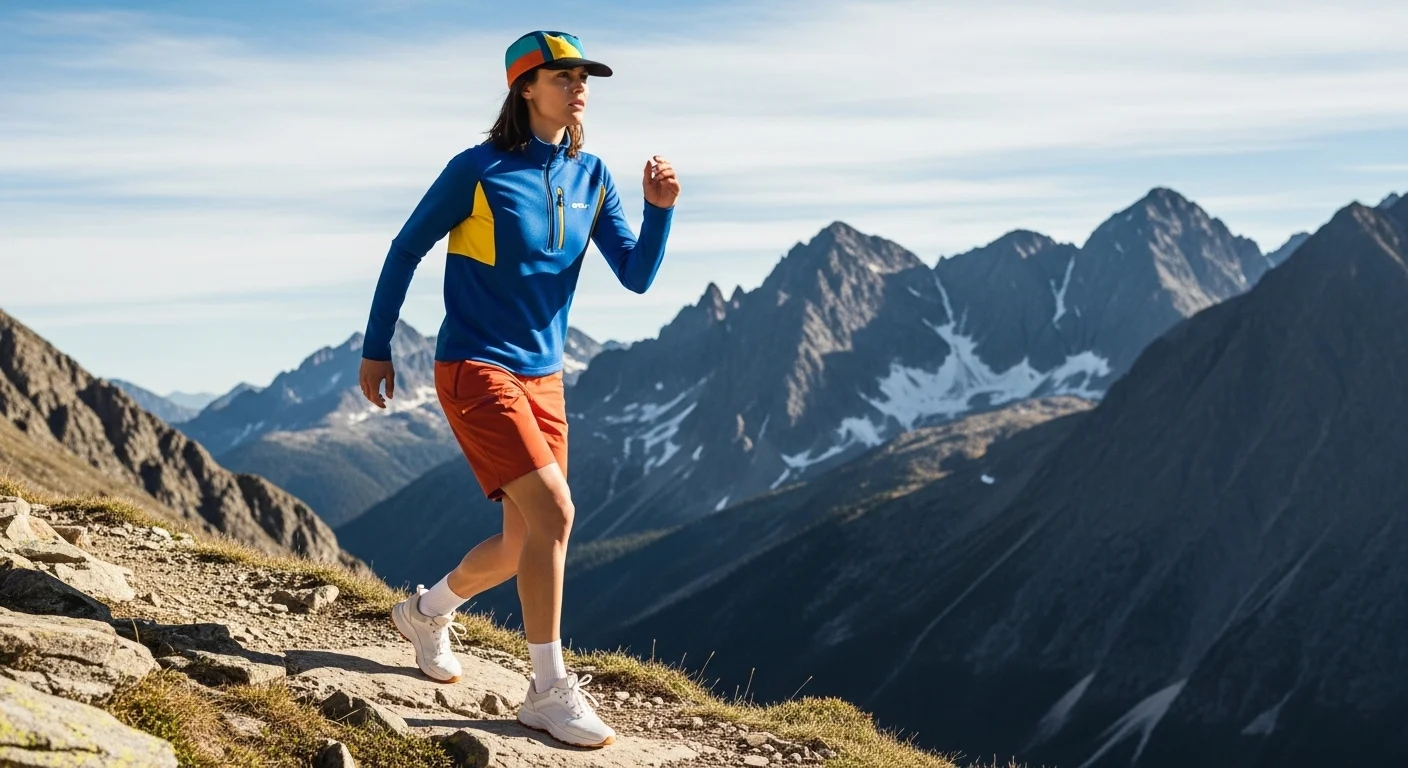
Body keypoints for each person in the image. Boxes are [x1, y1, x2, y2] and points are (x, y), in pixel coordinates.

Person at [357, 30, 679, 748]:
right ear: (525, 88)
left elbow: (636, 274)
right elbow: (405, 248)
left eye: (583, 76)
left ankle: (424, 613)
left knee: (523, 542)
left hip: (544, 376)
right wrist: (377, 346)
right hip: (475, 366)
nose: (579, 85)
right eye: (562, 76)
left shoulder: (591, 175)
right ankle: (545, 688)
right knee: (558, 512)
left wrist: (659, 209)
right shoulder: (476, 170)